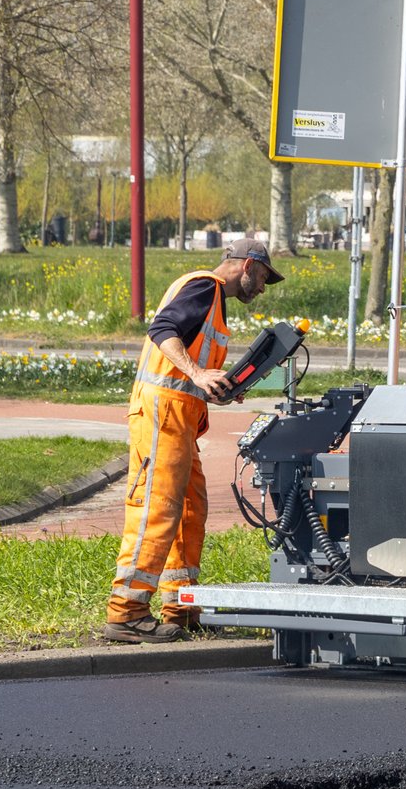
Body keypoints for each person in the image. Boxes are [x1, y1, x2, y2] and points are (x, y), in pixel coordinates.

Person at [103, 242, 283, 643]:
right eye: (264, 278)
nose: (263, 288)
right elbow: (163, 329)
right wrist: (199, 373)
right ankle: (126, 612)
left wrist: (213, 386)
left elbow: (185, 360)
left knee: (188, 510)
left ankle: (180, 609)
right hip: (163, 415)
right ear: (248, 266)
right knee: (158, 509)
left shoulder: (213, 299)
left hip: (179, 417)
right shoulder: (205, 287)